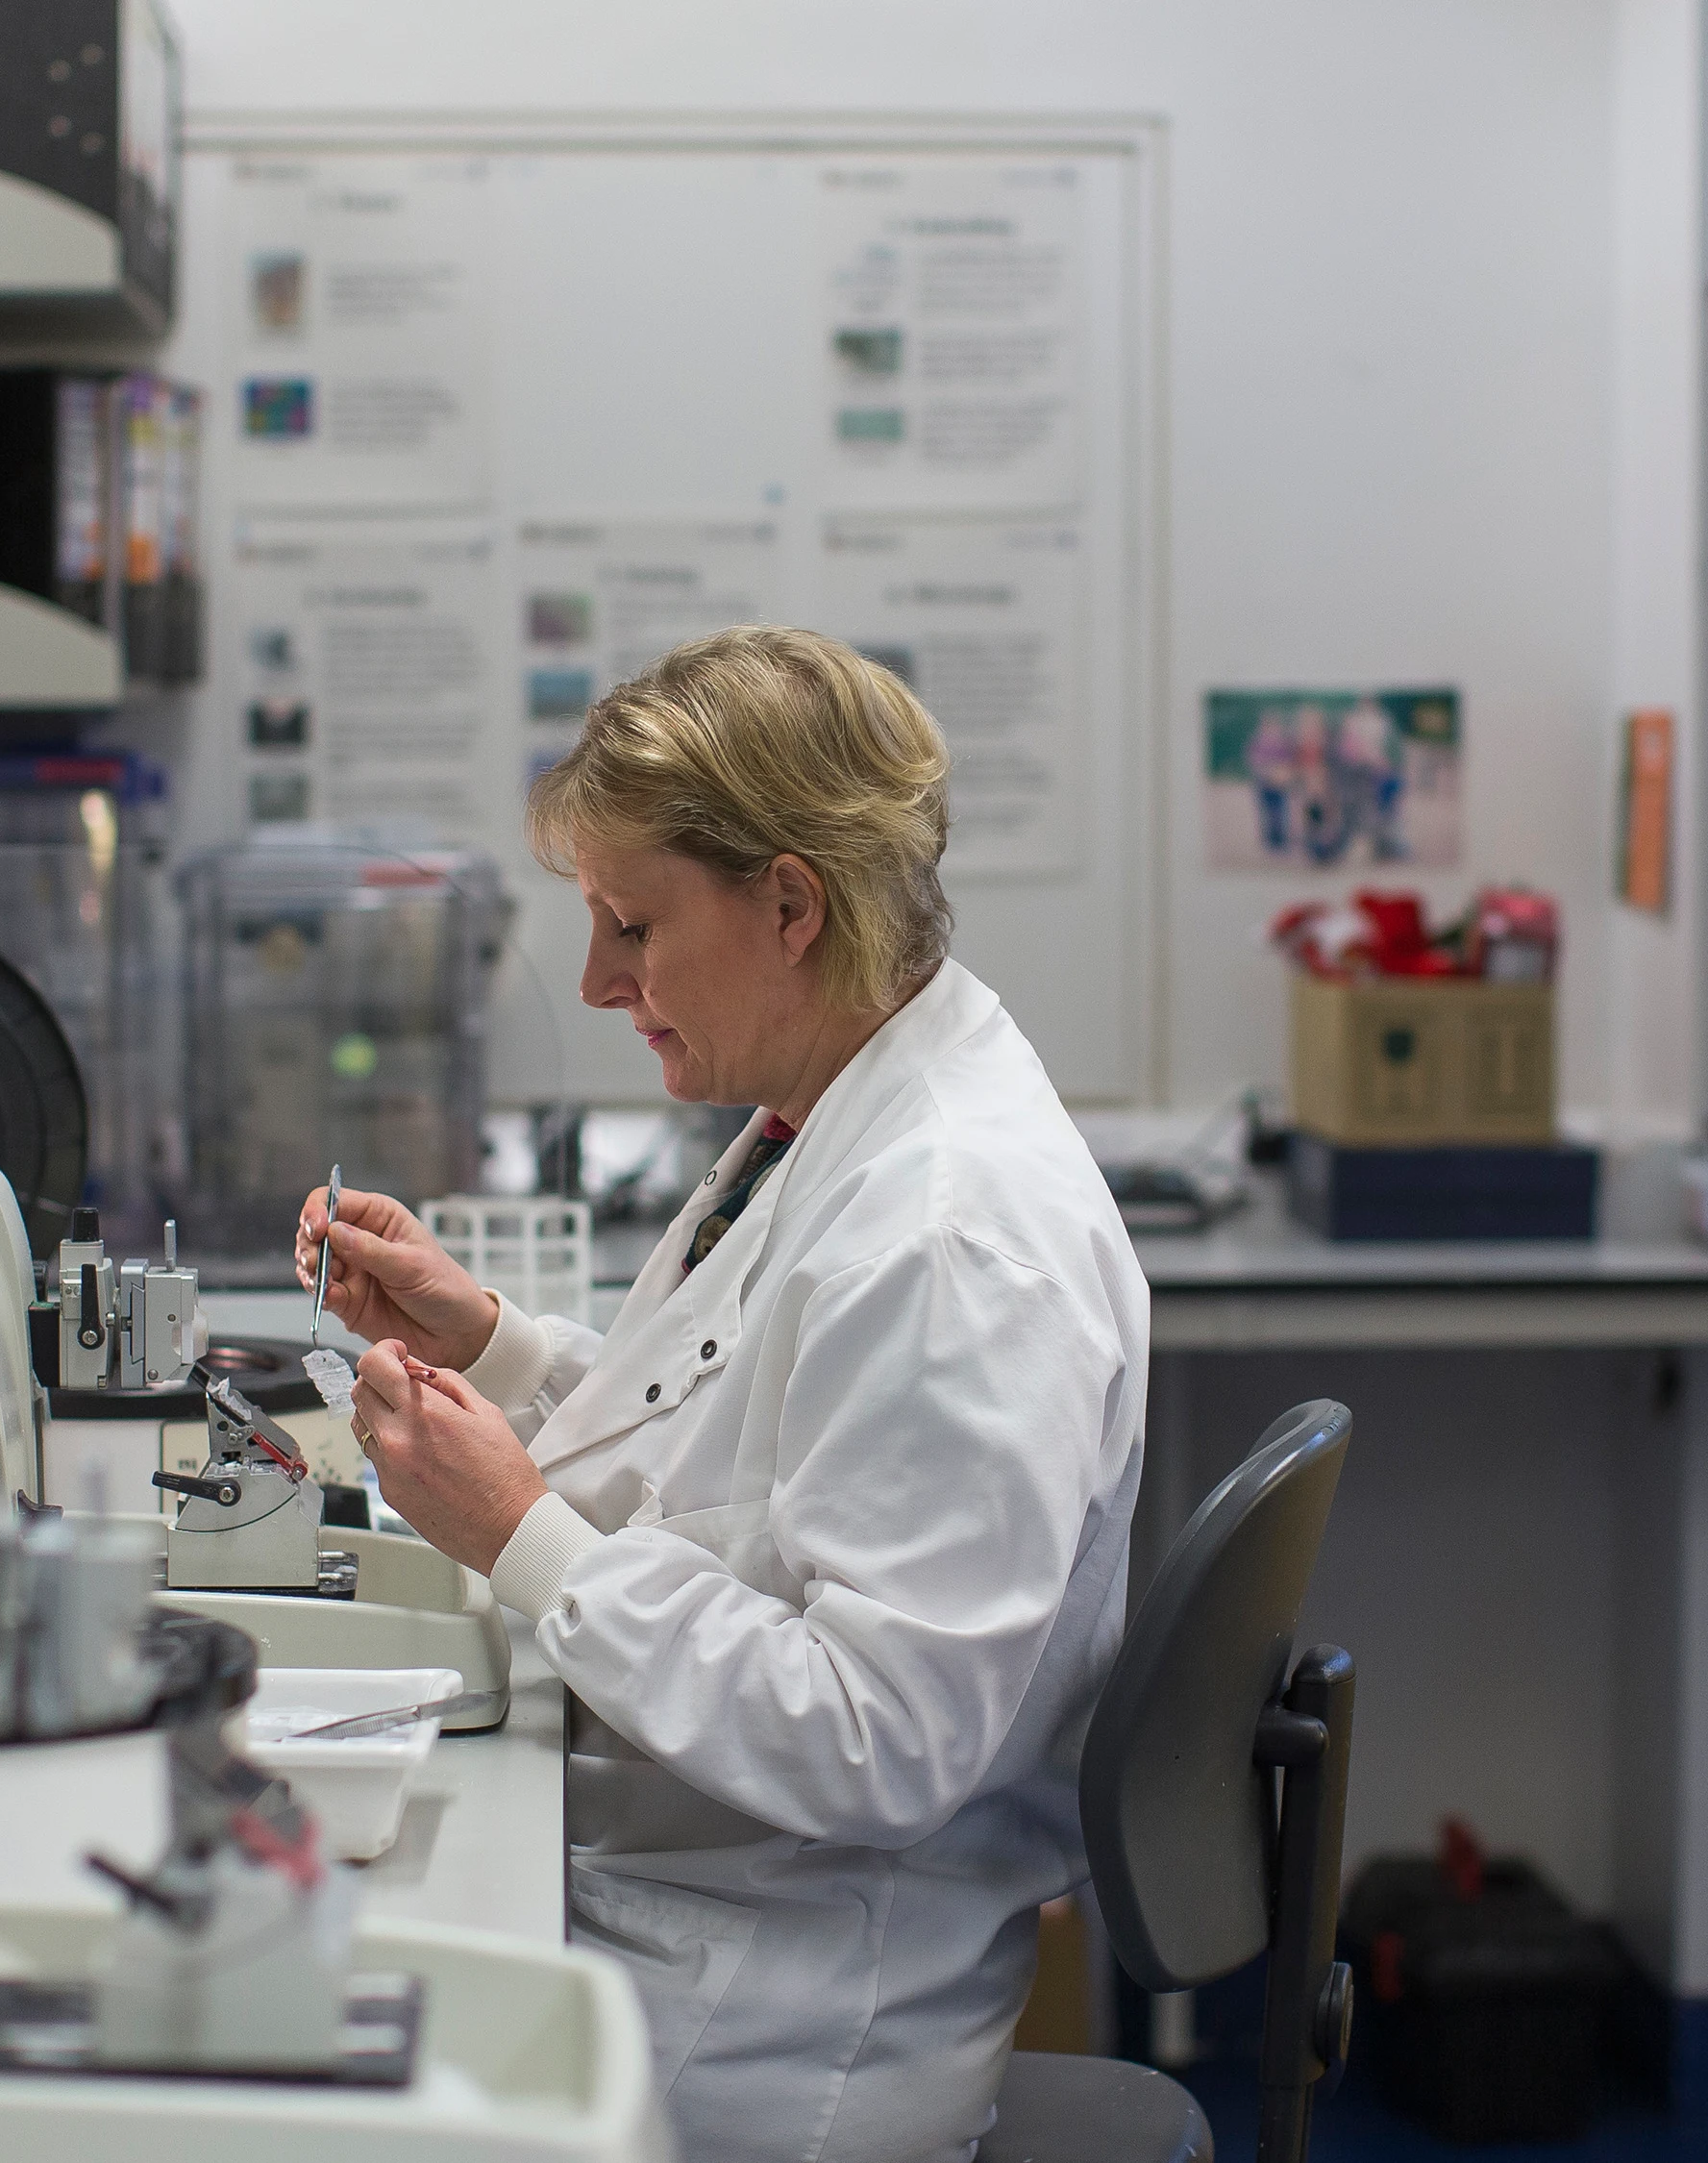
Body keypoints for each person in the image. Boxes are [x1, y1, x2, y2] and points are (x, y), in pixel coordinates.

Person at [296, 625, 1148, 2163]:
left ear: (790, 904)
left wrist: (521, 1534)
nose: (599, 978)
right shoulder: (837, 1109)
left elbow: (880, 1734)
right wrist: (491, 1341)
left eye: (632, 923)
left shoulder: (953, 1232)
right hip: (695, 1888)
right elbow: (738, 1443)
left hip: (777, 2016)